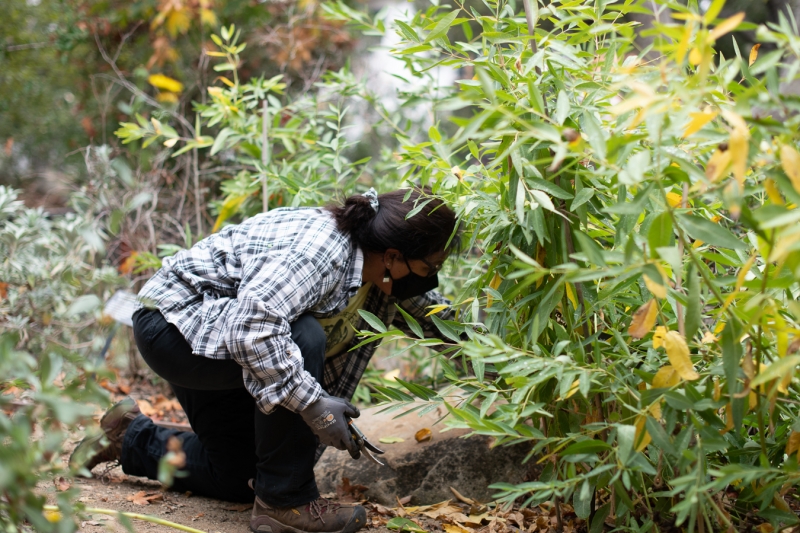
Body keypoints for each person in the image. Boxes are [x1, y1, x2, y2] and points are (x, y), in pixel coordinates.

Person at [70, 187, 460, 533]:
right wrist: (313, 404)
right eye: (429, 268)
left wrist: (507, 372)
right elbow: (251, 327)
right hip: (174, 326)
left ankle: (129, 439)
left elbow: (442, 324)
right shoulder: (323, 252)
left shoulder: (383, 276)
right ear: (393, 256)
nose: (432, 278)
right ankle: (285, 501)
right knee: (303, 332)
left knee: (239, 477)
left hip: (225, 344)